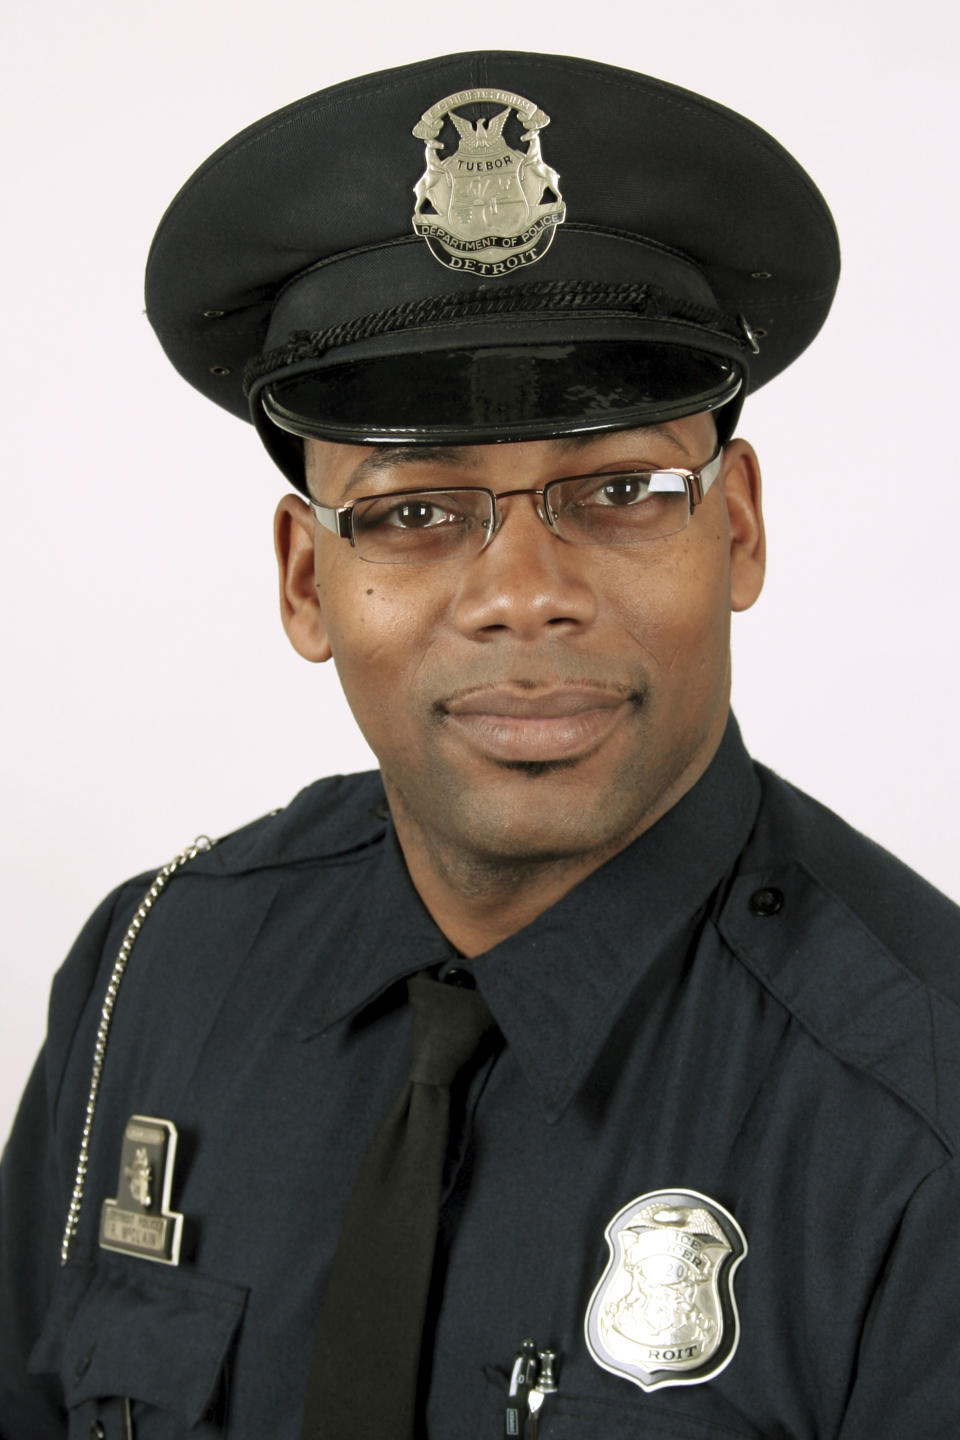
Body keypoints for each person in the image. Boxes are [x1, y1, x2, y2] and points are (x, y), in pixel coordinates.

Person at [1, 50, 958, 1440]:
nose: (523, 593)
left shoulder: (924, 1116)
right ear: (301, 580)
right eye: (411, 512)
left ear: (738, 527)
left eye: (623, 489)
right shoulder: (152, 975)